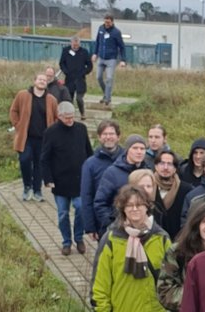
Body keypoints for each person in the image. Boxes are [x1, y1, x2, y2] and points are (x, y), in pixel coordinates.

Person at [40, 101, 93, 255]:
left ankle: (79, 238)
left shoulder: (81, 129)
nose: (70, 120)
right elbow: (44, 158)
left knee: (81, 208)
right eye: (67, 118)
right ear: (59, 116)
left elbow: (89, 152)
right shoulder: (51, 132)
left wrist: (91, 174)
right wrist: (48, 179)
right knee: (63, 213)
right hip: (60, 181)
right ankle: (66, 242)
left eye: (72, 117)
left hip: (79, 180)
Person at [9, 72, 58, 202]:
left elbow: (56, 117)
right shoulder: (23, 95)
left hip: (43, 139)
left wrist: (53, 132)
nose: (42, 81)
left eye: (44, 80)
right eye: (40, 79)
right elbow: (13, 111)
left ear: (47, 83)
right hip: (26, 137)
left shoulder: (51, 100)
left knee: (39, 164)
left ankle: (37, 190)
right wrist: (17, 125)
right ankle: (27, 186)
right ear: (34, 81)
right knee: (24, 159)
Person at [92, 134, 149, 231]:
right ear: (127, 150)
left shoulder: (148, 171)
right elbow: (100, 203)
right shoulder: (112, 172)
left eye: (142, 149)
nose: (139, 152)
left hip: (143, 227)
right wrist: (112, 225)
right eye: (135, 148)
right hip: (118, 227)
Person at [80, 120, 122, 241]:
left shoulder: (126, 159)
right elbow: (86, 196)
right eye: (105, 134)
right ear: (99, 137)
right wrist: (90, 227)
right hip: (102, 221)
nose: (108, 137)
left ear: (118, 136)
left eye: (111, 134)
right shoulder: (90, 164)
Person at [152, 149, 192, 240]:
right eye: (162, 163)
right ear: (156, 166)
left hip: (177, 240)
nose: (165, 167)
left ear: (175, 169)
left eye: (169, 164)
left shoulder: (186, 189)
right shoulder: (147, 186)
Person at [92, 13, 127, 107]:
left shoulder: (116, 32)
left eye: (108, 22)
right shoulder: (101, 29)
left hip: (111, 59)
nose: (106, 24)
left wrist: (123, 60)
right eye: (105, 22)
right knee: (98, 77)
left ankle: (107, 98)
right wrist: (95, 53)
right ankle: (106, 94)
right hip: (101, 57)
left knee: (109, 78)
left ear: (112, 22)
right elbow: (97, 42)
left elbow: (122, 47)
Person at [59, 36, 93, 120]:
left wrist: (84, 72)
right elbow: (62, 63)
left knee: (79, 98)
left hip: (80, 79)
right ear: (71, 43)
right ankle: (70, 115)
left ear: (79, 44)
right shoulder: (66, 51)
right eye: (74, 45)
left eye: (77, 45)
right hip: (69, 78)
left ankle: (82, 113)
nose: (75, 47)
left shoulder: (84, 52)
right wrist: (66, 71)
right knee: (69, 98)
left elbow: (90, 65)